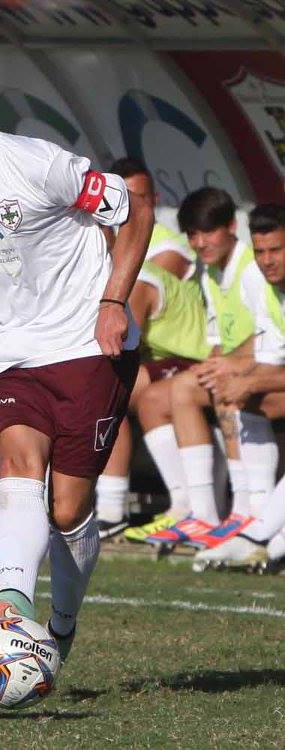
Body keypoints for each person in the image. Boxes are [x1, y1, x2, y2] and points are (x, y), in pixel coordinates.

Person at [0, 47, 152, 663]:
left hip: (88, 344)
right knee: (16, 459)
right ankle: (12, 602)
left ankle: (61, 626)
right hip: (12, 350)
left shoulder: (36, 163)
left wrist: (113, 301)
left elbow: (138, 210)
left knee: (69, 509)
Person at [143, 188, 265, 551]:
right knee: (169, 393)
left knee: (216, 388)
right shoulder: (211, 271)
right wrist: (215, 361)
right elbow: (217, 334)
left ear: (232, 226)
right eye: (193, 235)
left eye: (208, 232)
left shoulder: (253, 268)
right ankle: (202, 514)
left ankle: (243, 510)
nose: (200, 242)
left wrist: (228, 364)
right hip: (238, 365)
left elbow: (271, 332)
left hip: (265, 366)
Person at [94, 160, 209, 540]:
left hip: (188, 358)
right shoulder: (116, 262)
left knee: (107, 392)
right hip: (162, 360)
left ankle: (111, 508)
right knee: (102, 391)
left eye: (139, 198)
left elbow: (121, 341)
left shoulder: (154, 260)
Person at [193, 203, 285, 570]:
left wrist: (250, 381)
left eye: (276, 250)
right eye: (260, 251)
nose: (266, 261)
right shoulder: (269, 289)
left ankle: (260, 535)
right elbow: (272, 356)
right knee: (249, 398)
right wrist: (243, 380)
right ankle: (257, 525)